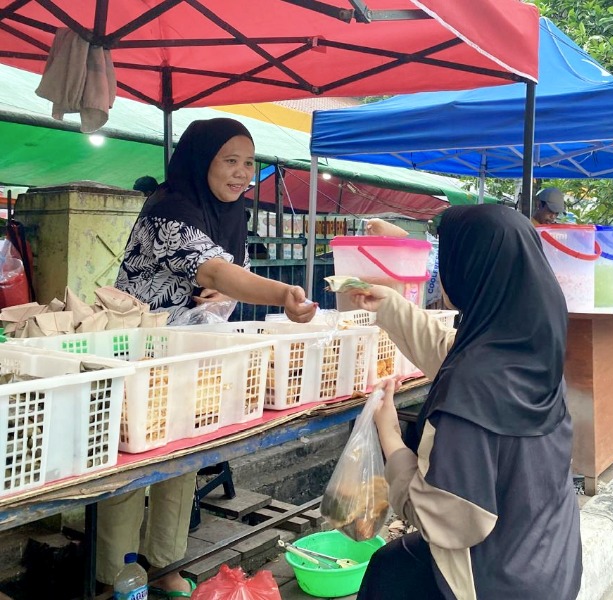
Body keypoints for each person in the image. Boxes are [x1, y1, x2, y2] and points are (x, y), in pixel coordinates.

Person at [99, 118, 317, 596]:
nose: (241, 173)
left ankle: (165, 565)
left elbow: (221, 282)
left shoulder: (233, 212)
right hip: (142, 354)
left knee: (184, 458)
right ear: (202, 161)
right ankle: (118, 573)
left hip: (194, 352)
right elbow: (214, 267)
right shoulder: (169, 208)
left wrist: (220, 296)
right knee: (135, 463)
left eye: (248, 162)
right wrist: (283, 293)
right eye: (229, 161)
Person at [347, 204, 582, 599]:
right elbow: (450, 350)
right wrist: (389, 305)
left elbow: (444, 515)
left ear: (470, 269)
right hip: (553, 564)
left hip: (496, 581)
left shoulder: (469, 387)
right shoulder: (534, 347)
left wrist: (389, 437)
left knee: (388, 570)